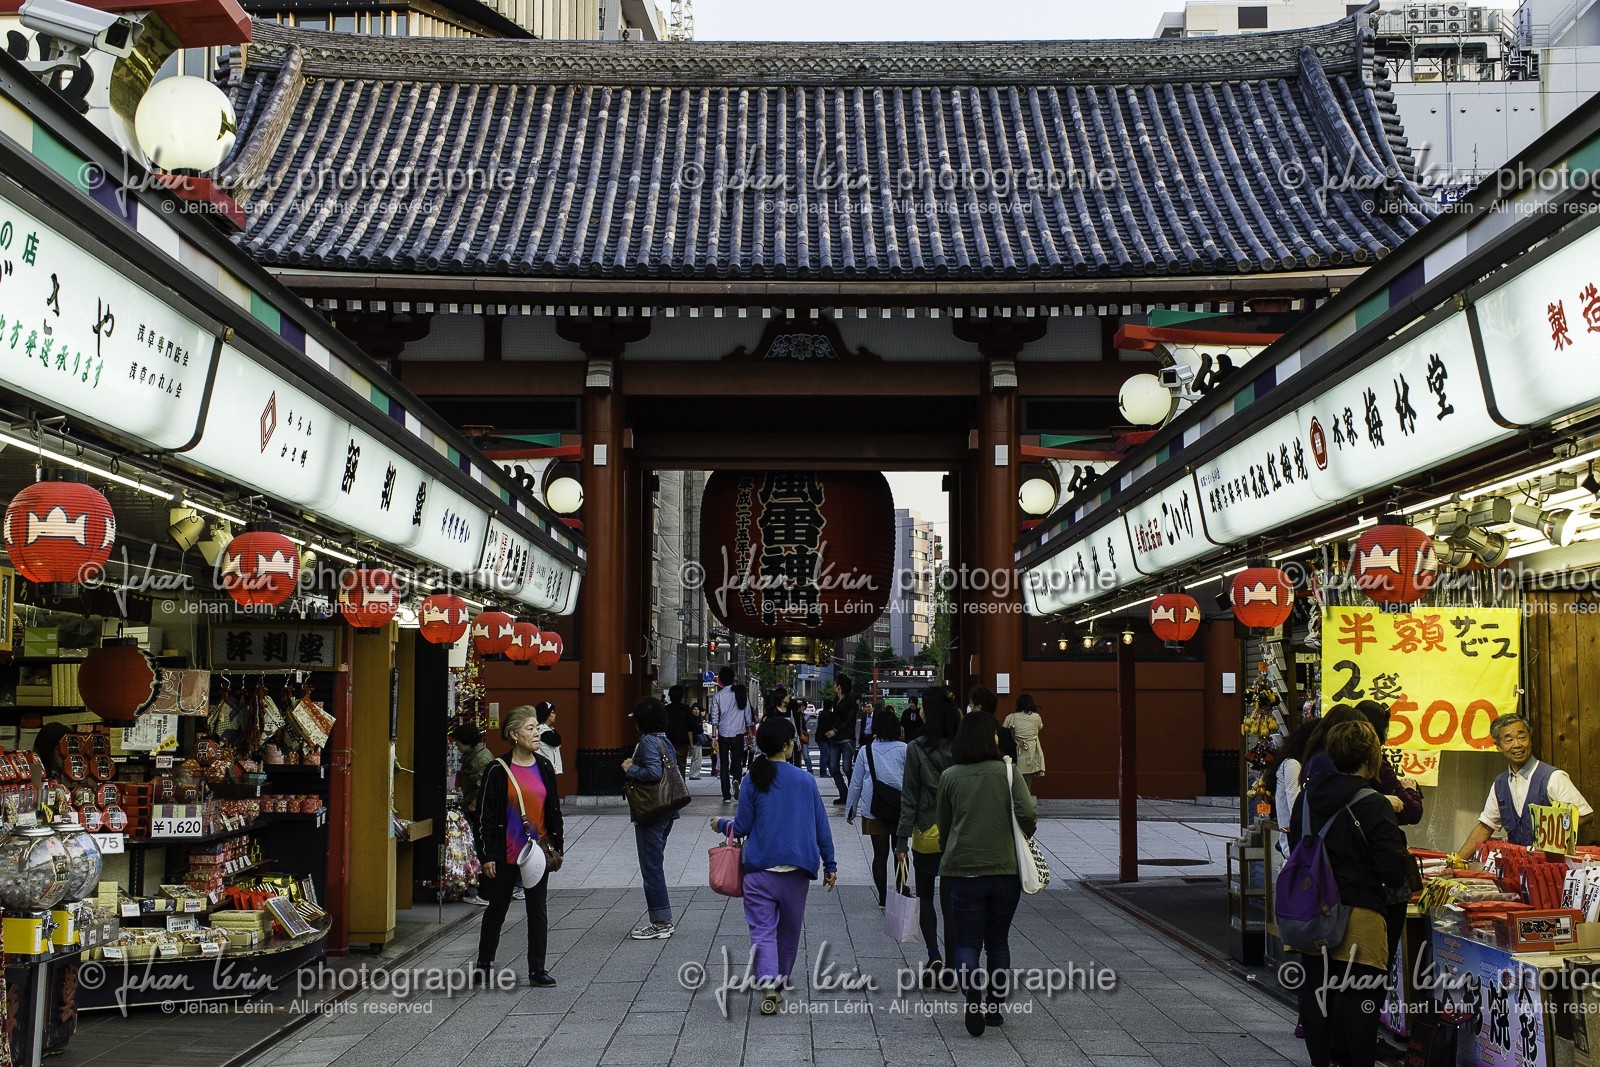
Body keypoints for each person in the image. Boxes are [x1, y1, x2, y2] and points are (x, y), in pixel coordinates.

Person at [1288, 720, 1412, 1067]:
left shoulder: (1308, 797)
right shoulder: (1373, 802)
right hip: (1360, 910)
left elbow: (1295, 845)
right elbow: (1392, 868)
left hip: (1314, 911)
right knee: (1362, 996)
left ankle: (1320, 1063)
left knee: (1315, 990)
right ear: (1371, 759)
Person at [709, 716, 838, 1014]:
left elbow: (741, 827)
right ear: (786, 746)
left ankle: (767, 980)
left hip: (759, 871)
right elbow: (821, 827)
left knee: (762, 930)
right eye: (793, 740)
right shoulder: (805, 781)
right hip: (796, 872)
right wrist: (829, 863)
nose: (794, 744)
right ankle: (779, 982)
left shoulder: (752, 780)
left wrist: (720, 824)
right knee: (790, 930)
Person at [937, 712, 1036, 1037]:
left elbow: (945, 825)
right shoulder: (1007, 771)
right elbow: (1027, 812)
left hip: (963, 870)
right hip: (1005, 869)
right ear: (992, 738)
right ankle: (994, 1007)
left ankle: (972, 992)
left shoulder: (950, 776)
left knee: (966, 941)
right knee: (998, 941)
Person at [473, 705, 564, 987]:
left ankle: (537, 968)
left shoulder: (544, 766)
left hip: (536, 852)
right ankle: (484, 964)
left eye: (537, 728)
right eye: (530, 729)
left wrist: (557, 845)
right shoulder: (497, 770)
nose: (536, 733)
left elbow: (554, 809)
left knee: (537, 911)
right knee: (497, 909)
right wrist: (486, 855)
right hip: (505, 852)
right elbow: (484, 816)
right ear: (513, 735)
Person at [1455, 714, 1596, 859]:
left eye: (1522, 737)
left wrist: (1550, 836)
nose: (1517, 744)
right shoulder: (1500, 784)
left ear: (1530, 740)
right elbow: (1485, 827)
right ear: (1498, 747)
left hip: (1550, 869)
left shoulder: (1552, 777)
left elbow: (1585, 814)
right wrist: (1458, 860)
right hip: (1516, 869)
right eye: (1509, 740)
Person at [895, 688, 959, 986]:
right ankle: (951, 964)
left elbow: (909, 797)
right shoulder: (961, 747)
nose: (918, 710)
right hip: (956, 834)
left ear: (928, 712)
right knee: (952, 901)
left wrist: (901, 842)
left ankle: (933, 954)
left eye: (922, 706)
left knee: (926, 897)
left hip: (925, 833)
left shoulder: (915, 748)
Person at [624, 697, 679, 939]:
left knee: (651, 868)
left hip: (652, 811)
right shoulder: (663, 739)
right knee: (654, 864)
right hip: (666, 809)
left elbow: (654, 773)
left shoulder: (647, 741)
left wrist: (630, 769)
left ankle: (660, 921)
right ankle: (661, 919)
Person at [845, 707, 907, 908]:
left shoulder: (867, 750)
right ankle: (900, 891)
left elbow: (856, 782)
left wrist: (851, 808)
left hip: (874, 808)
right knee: (901, 853)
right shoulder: (905, 749)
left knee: (879, 856)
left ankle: (882, 897)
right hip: (900, 809)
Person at [452, 724, 494, 907]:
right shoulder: (477, 755)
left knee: (482, 846)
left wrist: (472, 805)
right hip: (479, 810)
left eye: (458, 743)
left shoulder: (479, 759)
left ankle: (486, 892)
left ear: (467, 742)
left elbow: (482, 789)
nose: (457, 747)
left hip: (481, 812)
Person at [711, 666, 756, 803]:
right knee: (737, 762)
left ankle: (726, 795)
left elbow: (714, 718)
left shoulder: (717, 696)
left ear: (720, 680)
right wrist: (749, 732)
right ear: (733, 678)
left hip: (723, 734)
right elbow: (748, 715)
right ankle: (736, 781)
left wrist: (714, 737)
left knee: (724, 764)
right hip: (738, 733)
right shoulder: (741, 693)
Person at [823, 678, 858, 804]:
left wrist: (836, 730)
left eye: (835, 684)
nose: (834, 686)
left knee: (847, 768)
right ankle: (844, 793)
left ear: (839, 686)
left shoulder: (850, 701)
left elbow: (849, 719)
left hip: (847, 737)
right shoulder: (835, 701)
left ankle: (853, 793)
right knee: (833, 768)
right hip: (835, 739)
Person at [1003, 695, 1045, 791]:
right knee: (1027, 786)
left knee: (1012, 784)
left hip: (1014, 753)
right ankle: (1026, 804)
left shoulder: (1011, 717)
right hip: (1030, 753)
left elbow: (1004, 731)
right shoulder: (1036, 717)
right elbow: (1040, 727)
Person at [965, 685, 1016, 762]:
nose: (969, 707)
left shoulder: (967, 732)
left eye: (970, 704)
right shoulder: (1005, 734)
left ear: (978, 707)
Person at [666, 685, 695, 780]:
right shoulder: (686, 709)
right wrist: (691, 745)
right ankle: (681, 790)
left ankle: (670, 790)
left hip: (668, 743)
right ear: (681, 696)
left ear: (670, 696)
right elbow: (689, 728)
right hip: (682, 743)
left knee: (669, 769)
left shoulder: (666, 709)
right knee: (682, 768)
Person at [535, 702, 562, 776]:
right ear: (546, 714)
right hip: (544, 769)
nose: (554, 715)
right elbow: (556, 741)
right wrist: (554, 731)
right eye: (552, 712)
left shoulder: (546, 729)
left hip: (548, 768)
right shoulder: (542, 730)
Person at [688, 702, 706, 780]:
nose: (696, 711)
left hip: (697, 741)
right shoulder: (692, 719)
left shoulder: (699, 719)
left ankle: (694, 774)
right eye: (695, 709)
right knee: (696, 759)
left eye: (698, 709)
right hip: (694, 741)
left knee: (696, 759)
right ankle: (694, 775)